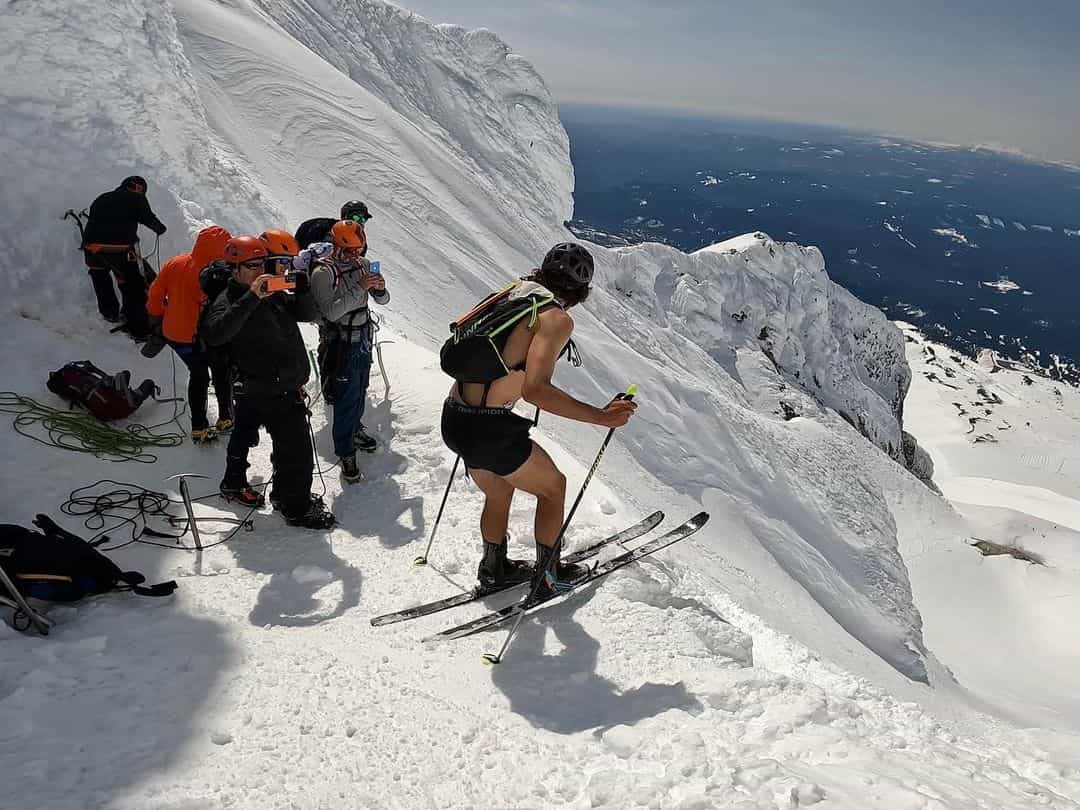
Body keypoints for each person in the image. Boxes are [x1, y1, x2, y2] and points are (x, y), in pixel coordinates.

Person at [440, 243, 636, 597]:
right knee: (553, 487)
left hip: (455, 418)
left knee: (499, 489)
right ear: (579, 293)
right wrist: (602, 417)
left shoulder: (513, 295)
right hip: (490, 428)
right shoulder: (554, 318)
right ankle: (548, 577)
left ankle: (493, 569)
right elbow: (536, 391)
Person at [201, 235, 336, 529]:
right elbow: (215, 333)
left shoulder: (270, 290)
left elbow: (306, 314)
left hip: (275, 386)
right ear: (235, 268)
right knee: (296, 451)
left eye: (262, 262)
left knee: (284, 447)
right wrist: (253, 296)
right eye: (251, 264)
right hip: (269, 389)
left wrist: (301, 289)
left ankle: (282, 495)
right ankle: (296, 508)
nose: (259, 268)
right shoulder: (231, 299)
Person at [310, 220, 389, 483]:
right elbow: (331, 312)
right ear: (337, 246)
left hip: (362, 337)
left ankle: (354, 429)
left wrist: (379, 289)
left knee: (360, 389)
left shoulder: (364, 265)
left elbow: (383, 300)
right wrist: (362, 287)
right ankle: (346, 453)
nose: (357, 255)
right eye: (351, 250)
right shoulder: (323, 273)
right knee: (345, 396)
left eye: (359, 249)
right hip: (342, 342)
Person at [146, 225, 234, 444]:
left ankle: (200, 427)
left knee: (198, 376)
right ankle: (224, 418)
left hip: (174, 334)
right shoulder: (219, 275)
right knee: (220, 373)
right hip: (202, 337)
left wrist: (157, 318)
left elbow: (155, 293)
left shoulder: (176, 262)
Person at [80, 175, 167, 338]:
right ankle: (139, 329)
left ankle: (110, 313)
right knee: (132, 285)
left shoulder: (103, 197)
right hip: (120, 250)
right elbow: (148, 217)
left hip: (91, 248)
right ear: (139, 188)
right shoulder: (137, 198)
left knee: (100, 277)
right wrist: (160, 229)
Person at [294, 201, 372, 250]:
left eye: (363, 219)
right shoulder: (322, 227)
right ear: (345, 216)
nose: (360, 223)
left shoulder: (361, 242)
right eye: (356, 217)